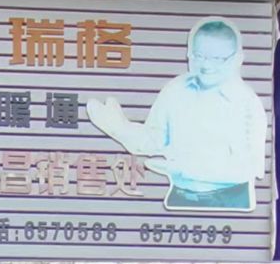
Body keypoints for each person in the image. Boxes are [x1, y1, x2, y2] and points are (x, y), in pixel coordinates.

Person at [87, 18, 267, 211]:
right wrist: (120, 129)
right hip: (180, 197)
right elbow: (154, 140)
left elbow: (249, 168)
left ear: (238, 58)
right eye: (198, 56)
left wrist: (184, 168)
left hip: (229, 202)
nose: (206, 65)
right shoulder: (177, 89)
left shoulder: (247, 103)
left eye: (217, 59)